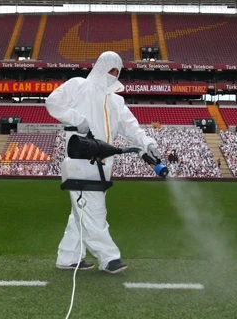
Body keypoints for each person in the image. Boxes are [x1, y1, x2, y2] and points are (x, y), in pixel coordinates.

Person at [45, 51, 160, 274]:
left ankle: (68, 256)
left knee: (81, 210)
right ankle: (108, 257)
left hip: (104, 163)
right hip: (81, 159)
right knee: (94, 210)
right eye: (110, 69)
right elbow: (52, 102)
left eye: (117, 71)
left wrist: (147, 143)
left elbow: (131, 127)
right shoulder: (78, 85)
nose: (114, 74)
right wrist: (77, 120)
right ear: (100, 67)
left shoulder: (117, 101)